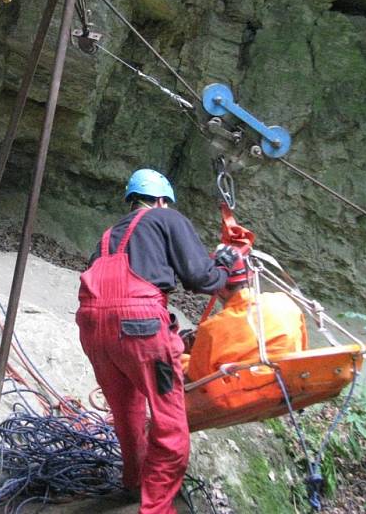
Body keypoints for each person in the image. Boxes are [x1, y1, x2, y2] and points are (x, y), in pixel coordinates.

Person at [75, 168, 238, 514]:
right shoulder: (166, 217)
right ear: (162, 199)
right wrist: (223, 267)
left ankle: (134, 484)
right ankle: (157, 509)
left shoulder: (107, 236)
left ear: (132, 200)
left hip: (93, 331)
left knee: (127, 412)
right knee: (170, 424)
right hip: (140, 329)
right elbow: (200, 277)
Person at [185, 257, 309, 381]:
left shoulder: (213, 328)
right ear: (250, 277)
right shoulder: (286, 302)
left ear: (221, 288)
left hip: (240, 394)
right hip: (288, 383)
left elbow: (196, 379)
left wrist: (181, 357)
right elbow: (302, 350)